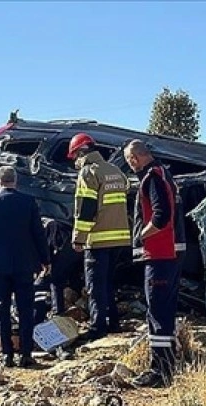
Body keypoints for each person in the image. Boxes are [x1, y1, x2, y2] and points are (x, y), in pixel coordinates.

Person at [0, 166, 49, 368]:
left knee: (2, 309)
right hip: (25, 264)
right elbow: (38, 234)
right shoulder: (28, 202)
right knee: (26, 309)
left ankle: (7, 353)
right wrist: (45, 259)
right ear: (15, 181)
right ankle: (26, 353)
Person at [123, 140, 183, 388]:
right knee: (163, 311)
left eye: (129, 160)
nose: (130, 165)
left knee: (158, 312)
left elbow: (161, 216)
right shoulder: (163, 174)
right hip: (169, 254)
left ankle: (160, 370)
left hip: (160, 254)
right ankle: (165, 365)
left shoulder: (152, 178)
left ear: (134, 158)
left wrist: (141, 235)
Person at [68, 133, 131, 341]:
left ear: (81, 152)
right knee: (108, 283)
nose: (75, 162)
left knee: (95, 286)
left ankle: (98, 327)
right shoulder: (115, 171)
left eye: (75, 156)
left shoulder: (88, 173)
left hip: (98, 239)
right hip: (120, 239)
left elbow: (86, 208)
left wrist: (79, 238)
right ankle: (113, 322)